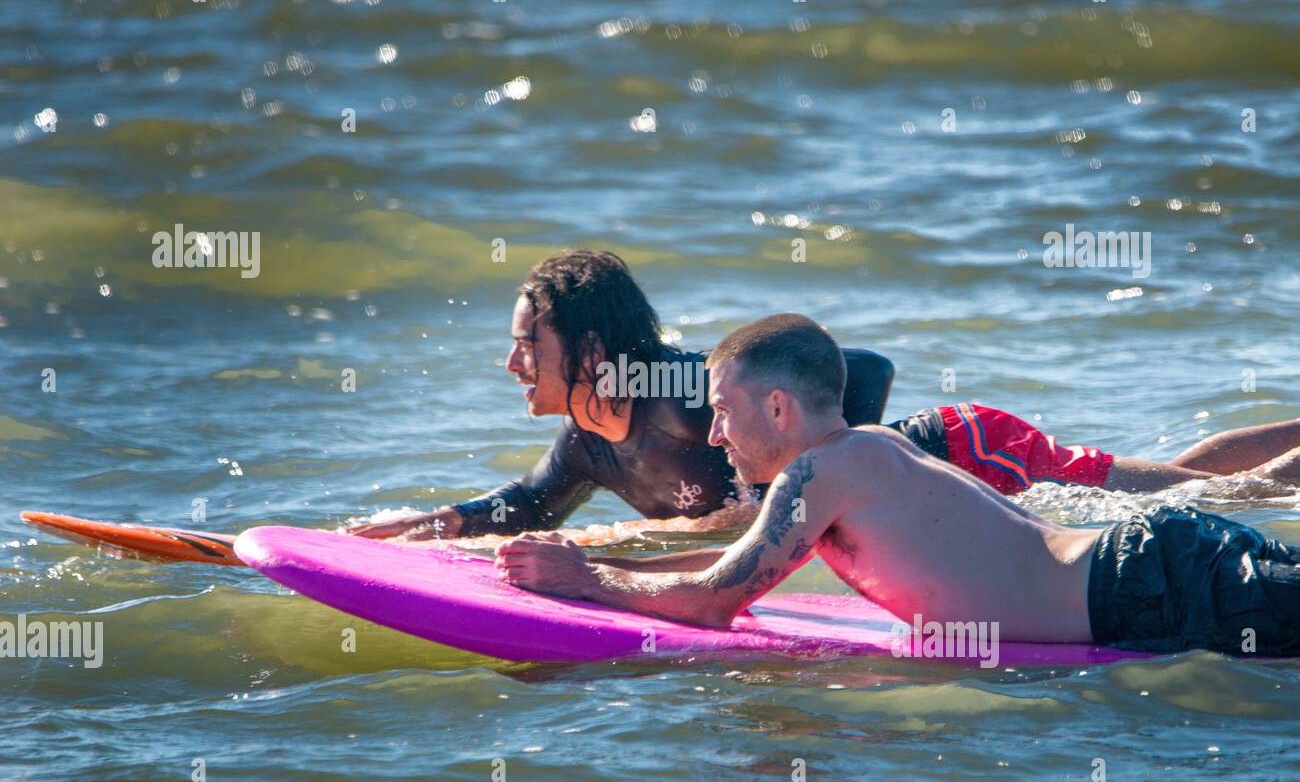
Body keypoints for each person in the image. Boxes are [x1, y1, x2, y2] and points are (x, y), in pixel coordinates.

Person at [351, 249, 1300, 540]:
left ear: (590, 347)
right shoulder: (587, 449)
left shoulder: (683, 389)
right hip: (932, 487)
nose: (512, 363)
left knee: (1195, 498)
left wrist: (820, 487)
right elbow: (514, 511)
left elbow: (867, 371)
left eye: (529, 344)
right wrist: (388, 532)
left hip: (962, 457)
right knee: (1170, 481)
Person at [495, 314, 1300, 657]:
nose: (714, 436)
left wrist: (585, 578)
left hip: (1150, 589)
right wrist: (603, 567)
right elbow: (733, 566)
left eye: (725, 413)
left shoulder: (825, 470)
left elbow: (716, 600)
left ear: (778, 407)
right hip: (1156, 567)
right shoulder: (861, 454)